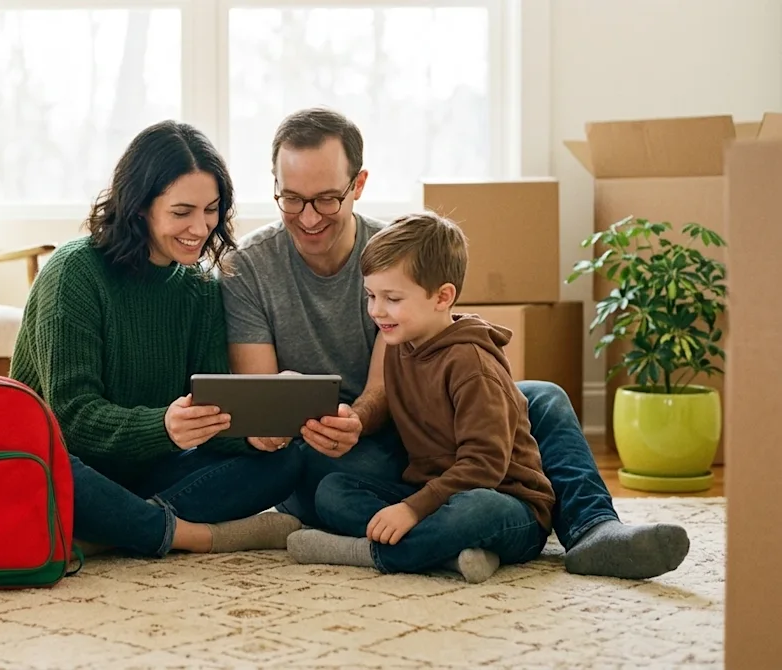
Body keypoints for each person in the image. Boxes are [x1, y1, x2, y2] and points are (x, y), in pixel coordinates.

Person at [219, 107, 691, 580]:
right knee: (323, 482)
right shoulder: (250, 267)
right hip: (345, 457)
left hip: (412, 429)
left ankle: (593, 530)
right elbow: (264, 398)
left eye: (325, 200)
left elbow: (388, 387)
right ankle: (454, 541)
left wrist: (359, 418)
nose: (308, 217)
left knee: (542, 396)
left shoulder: (393, 256)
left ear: (357, 185)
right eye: (291, 199)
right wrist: (286, 426)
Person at [8, 119, 303, 560]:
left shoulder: (201, 287)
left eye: (211, 210)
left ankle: (119, 528)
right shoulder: (74, 272)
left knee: (288, 461)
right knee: (46, 464)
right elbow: (68, 419)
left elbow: (207, 413)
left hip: (151, 472)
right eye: (182, 212)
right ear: (140, 205)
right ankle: (190, 535)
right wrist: (162, 426)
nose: (200, 228)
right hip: (74, 466)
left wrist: (252, 435)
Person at [286, 212, 556, 584]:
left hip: (507, 503)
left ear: (443, 297)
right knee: (334, 491)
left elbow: (484, 467)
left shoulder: (472, 365)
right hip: (431, 495)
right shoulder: (400, 345)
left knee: (474, 510)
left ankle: (369, 553)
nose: (377, 311)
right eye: (371, 296)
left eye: (392, 298)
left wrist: (411, 510)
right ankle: (444, 554)